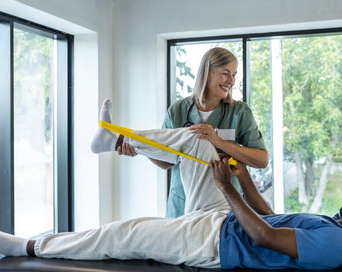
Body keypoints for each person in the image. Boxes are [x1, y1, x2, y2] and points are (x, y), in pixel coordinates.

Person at [0, 101, 342, 271]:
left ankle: (26, 247)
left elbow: (262, 236)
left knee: (119, 234)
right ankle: (114, 137)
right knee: (201, 138)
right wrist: (241, 179)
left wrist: (228, 190)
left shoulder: (338, 247)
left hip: (213, 241)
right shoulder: (335, 226)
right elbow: (266, 214)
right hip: (222, 216)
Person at [111, 47, 269, 219]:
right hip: (183, 202)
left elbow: (261, 160)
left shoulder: (239, 112)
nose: (231, 80)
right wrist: (140, 151)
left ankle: (114, 138)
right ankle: (123, 139)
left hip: (224, 204)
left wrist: (220, 142)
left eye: (234, 74)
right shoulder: (178, 110)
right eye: (225, 73)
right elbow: (166, 162)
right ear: (207, 72)